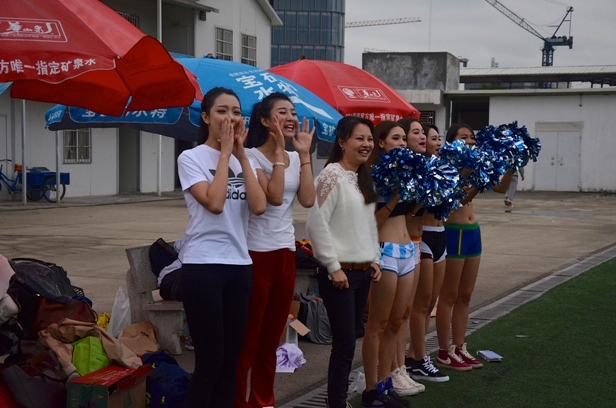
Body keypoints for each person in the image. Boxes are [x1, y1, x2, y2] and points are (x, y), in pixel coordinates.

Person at [177, 87, 266, 408]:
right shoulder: (190, 158)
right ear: (206, 117)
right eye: (222, 111)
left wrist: (241, 155)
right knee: (210, 362)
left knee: (231, 362)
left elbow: (259, 206)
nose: (230, 118)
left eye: (236, 112)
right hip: (203, 267)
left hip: (239, 267)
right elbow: (214, 203)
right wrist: (225, 154)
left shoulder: (246, 159)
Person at [235, 92, 316, 408]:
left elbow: (307, 200)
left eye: (293, 112)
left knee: (271, 338)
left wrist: (304, 154)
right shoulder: (250, 156)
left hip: (285, 253)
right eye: (283, 112)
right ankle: (238, 402)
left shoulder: (296, 157)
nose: (291, 118)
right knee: (248, 339)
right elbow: (274, 197)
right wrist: (281, 156)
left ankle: (263, 401)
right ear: (265, 120)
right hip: (256, 253)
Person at [306, 116, 382, 408]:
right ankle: (336, 402)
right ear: (341, 142)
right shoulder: (330, 176)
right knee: (344, 343)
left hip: (362, 272)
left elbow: (366, 223)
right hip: (339, 275)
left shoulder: (362, 176)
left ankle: (338, 398)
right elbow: (316, 224)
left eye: (369, 139)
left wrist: (374, 258)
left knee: (352, 338)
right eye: (359, 138)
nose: (366, 144)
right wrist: (333, 266)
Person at [435, 123, 512, 372]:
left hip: (473, 232)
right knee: (449, 295)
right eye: (463, 137)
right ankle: (444, 351)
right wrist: (475, 176)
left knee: (466, 295)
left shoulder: (474, 164)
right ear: (451, 142)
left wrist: (511, 164)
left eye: (472, 137)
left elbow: (500, 187)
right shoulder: (445, 166)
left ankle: (459, 346)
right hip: (454, 232)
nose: (470, 140)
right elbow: (459, 198)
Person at [363, 120, 418, 404]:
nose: (402, 143)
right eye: (396, 138)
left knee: (396, 322)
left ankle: (386, 384)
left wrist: (421, 193)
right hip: (385, 252)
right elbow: (373, 222)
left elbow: (409, 215)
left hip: (408, 252)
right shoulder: (373, 175)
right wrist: (397, 194)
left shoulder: (406, 170)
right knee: (378, 324)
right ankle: (371, 389)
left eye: (404, 139)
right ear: (381, 143)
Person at [405, 123, 450, 382]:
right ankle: (420, 358)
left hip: (440, 234)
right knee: (421, 304)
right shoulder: (416, 168)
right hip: (422, 237)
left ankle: (414, 356)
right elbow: (414, 208)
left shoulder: (442, 167)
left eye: (434, 137)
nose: (434, 141)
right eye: (429, 137)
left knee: (430, 302)